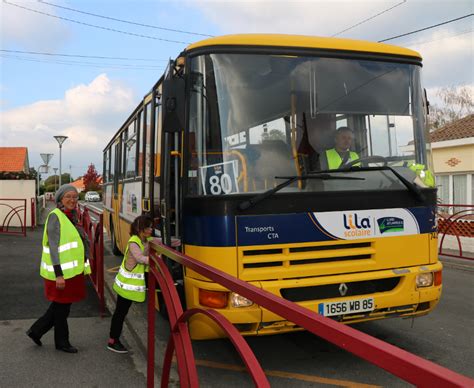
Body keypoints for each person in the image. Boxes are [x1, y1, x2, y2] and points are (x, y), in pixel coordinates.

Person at [27, 184, 90, 353]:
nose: (72, 200)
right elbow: (54, 248)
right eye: (68, 196)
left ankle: (36, 331)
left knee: (60, 306)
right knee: (61, 308)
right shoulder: (56, 216)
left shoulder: (72, 216)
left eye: (75, 197)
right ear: (60, 199)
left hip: (72, 272)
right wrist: (59, 275)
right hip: (61, 273)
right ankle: (62, 342)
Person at [107, 215, 153, 354]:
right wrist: (154, 260)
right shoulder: (134, 242)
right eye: (148, 227)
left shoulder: (144, 239)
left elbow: (157, 241)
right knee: (120, 312)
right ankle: (113, 341)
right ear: (141, 229)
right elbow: (139, 258)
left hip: (129, 284)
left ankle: (113, 339)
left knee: (121, 312)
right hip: (126, 285)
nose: (151, 230)